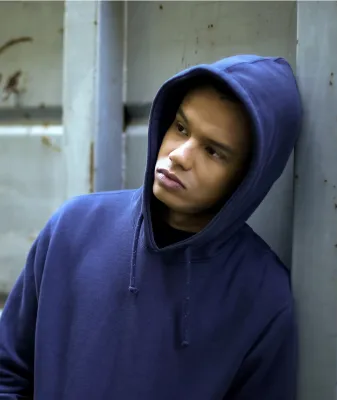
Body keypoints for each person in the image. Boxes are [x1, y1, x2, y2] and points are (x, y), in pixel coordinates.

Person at [0, 55, 302, 399]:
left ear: (248, 177)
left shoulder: (263, 295)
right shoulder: (72, 229)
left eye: (213, 151)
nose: (179, 156)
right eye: (181, 128)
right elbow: (8, 370)